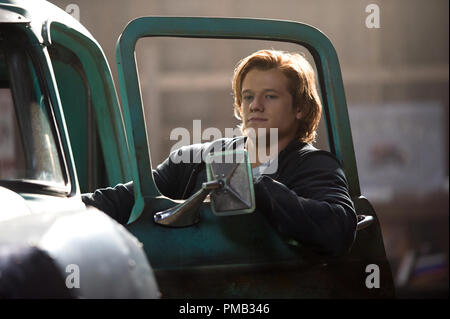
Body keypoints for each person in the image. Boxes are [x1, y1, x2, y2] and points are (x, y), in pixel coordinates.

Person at [82, 50, 357, 257]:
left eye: (270, 96)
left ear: (299, 108)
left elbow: (339, 226)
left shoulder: (314, 165)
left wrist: (257, 188)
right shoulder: (192, 161)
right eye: (248, 96)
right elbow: (125, 199)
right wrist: (60, 208)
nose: (255, 106)